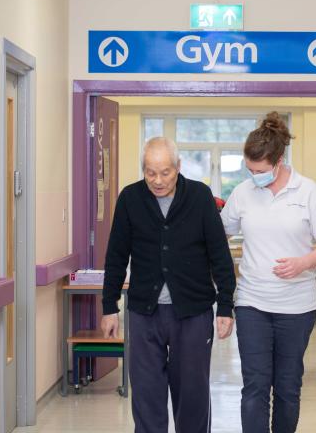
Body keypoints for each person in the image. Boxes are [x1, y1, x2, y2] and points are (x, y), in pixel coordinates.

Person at [101, 137, 236, 433]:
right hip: (143, 314)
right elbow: (116, 256)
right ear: (143, 170)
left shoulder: (200, 196)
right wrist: (109, 306)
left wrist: (226, 306)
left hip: (193, 312)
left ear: (178, 167)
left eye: (165, 172)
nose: (158, 180)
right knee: (147, 395)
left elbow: (219, 255)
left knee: (192, 396)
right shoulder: (130, 199)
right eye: (150, 172)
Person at [221, 112, 316, 433]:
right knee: (255, 386)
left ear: (279, 160)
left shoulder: (307, 191)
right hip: (252, 303)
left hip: (296, 307)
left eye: (260, 170)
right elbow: (219, 234)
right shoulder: (243, 192)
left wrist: (303, 262)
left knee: (287, 387)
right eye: (249, 169)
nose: (254, 175)